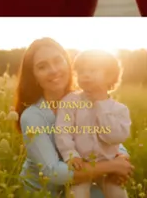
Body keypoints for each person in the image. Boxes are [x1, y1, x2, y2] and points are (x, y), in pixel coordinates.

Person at [16, 38, 133, 196]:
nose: (53, 70)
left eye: (58, 61)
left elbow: (103, 135)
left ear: (68, 63)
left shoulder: (85, 99)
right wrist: (112, 166)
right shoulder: (32, 116)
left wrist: (122, 157)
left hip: (82, 180)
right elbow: (53, 172)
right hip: (45, 192)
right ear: (34, 76)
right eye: (42, 67)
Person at [54, 50, 132, 198]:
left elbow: (115, 137)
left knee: (118, 194)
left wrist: (101, 104)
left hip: (108, 166)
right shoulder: (70, 102)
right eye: (81, 71)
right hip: (82, 165)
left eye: (92, 70)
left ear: (109, 76)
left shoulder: (119, 109)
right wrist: (71, 155)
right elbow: (63, 131)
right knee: (76, 194)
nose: (86, 75)